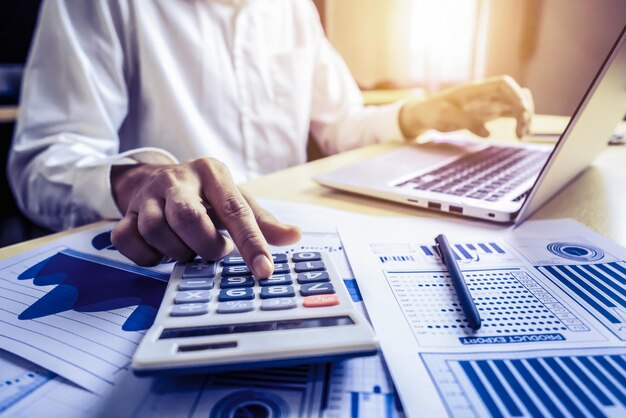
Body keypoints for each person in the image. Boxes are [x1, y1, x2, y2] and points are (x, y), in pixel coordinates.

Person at [9, 0, 533, 278]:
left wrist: (424, 113)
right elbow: (42, 162)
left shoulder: (292, 9)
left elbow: (342, 125)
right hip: (175, 265)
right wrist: (140, 180)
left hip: (290, 246)